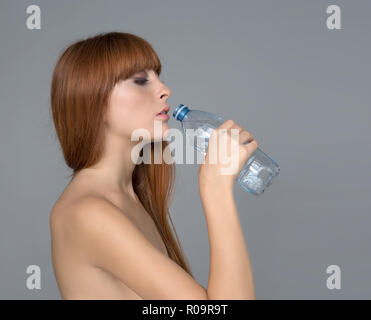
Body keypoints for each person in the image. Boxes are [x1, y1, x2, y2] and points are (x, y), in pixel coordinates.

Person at [49, 31, 258, 300]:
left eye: (158, 76)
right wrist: (215, 187)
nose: (164, 90)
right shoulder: (88, 213)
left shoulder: (130, 198)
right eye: (140, 80)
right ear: (93, 101)